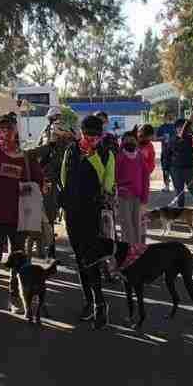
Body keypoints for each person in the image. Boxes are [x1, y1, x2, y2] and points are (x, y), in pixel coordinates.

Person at [0, 115, 44, 318]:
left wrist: (34, 189)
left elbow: (39, 181)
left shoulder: (26, 158)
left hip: (20, 217)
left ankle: (16, 297)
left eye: (8, 128)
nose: (4, 133)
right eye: (0, 129)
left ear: (16, 131)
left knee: (19, 260)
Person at [61, 114, 115, 328]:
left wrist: (93, 157)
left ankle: (100, 304)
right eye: (87, 136)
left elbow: (107, 184)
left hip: (93, 212)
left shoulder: (106, 154)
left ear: (101, 136)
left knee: (91, 258)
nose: (91, 140)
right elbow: (64, 179)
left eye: (95, 137)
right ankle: (88, 300)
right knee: (80, 258)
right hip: (73, 212)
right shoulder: (70, 150)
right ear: (81, 133)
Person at [34, 119, 73, 258]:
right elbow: (32, 156)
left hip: (64, 187)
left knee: (53, 219)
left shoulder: (71, 147)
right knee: (48, 219)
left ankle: (49, 250)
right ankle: (49, 251)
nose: (61, 137)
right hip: (50, 185)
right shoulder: (48, 147)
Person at [115, 131, 150, 245]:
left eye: (132, 140)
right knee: (127, 226)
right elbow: (114, 176)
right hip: (123, 196)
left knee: (137, 225)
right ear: (122, 141)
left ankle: (137, 250)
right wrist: (119, 190)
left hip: (138, 197)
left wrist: (144, 198)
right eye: (127, 140)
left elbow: (145, 177)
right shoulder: (119, 156)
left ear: (136, 141)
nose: (130, 142)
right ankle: (128, 252)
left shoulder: (139, 156)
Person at [168, 119, 193, 208]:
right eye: (179, 127)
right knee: (179, 193)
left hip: (191, 169)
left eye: (183, 127)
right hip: (176, 169)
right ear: (176, 129)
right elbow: (167, 154)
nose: (181, 129)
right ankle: (180, 213)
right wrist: (166, 168)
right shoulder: (172, 139)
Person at [155, 113, 176, 191]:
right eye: (167, 116)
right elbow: (156, 138)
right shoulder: (162, 127)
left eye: (171, 116)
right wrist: (162, 137)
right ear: (165, 117)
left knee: (174, 169)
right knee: (165, 169)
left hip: (174, 152)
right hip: (165, 151)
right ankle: (167, 186)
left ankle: (175, 185)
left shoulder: (175, 126)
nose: (169, 118)